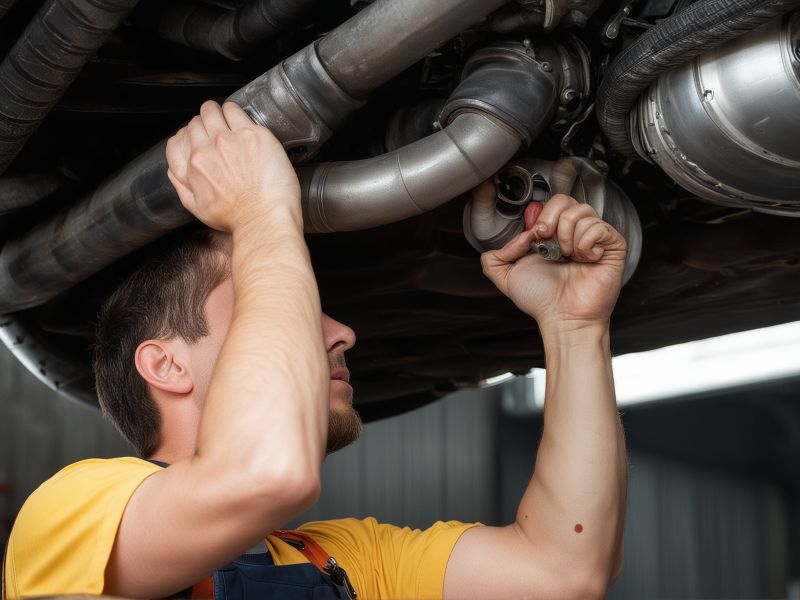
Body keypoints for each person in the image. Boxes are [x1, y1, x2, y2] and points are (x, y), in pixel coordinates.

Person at [3, 101, 627, 599]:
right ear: (166, 364)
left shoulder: (338, 561)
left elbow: (562, 571)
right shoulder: (73, 514)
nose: (341, 333)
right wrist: (258, 213)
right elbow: (265, 474)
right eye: (273, 304)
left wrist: (575, 329)